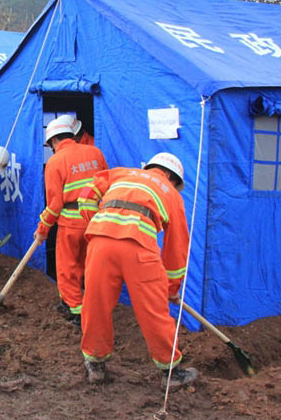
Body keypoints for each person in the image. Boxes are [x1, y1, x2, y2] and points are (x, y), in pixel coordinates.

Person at [77, 152, 197, 388]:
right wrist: (171, 288)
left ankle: (95, 365)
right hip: (139, 247)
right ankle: (170, 372)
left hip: (100, 242)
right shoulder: (171, 194)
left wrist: (99, 221)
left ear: (149, 167)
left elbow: (85, 195)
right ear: (172, 178)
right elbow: (176, 247)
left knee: (95, 303)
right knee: (153, 309)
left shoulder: (121, 173)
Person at [35, 114, 108, 327]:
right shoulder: (95, 152)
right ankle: (90, 306)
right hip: (96, 220)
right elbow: (107, 184)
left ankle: (76, 311)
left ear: (52, 141)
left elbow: (55, 204)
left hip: (71, 224)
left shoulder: (55, 162)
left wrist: (42, 229)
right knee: (90, 265)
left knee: (68, 268)